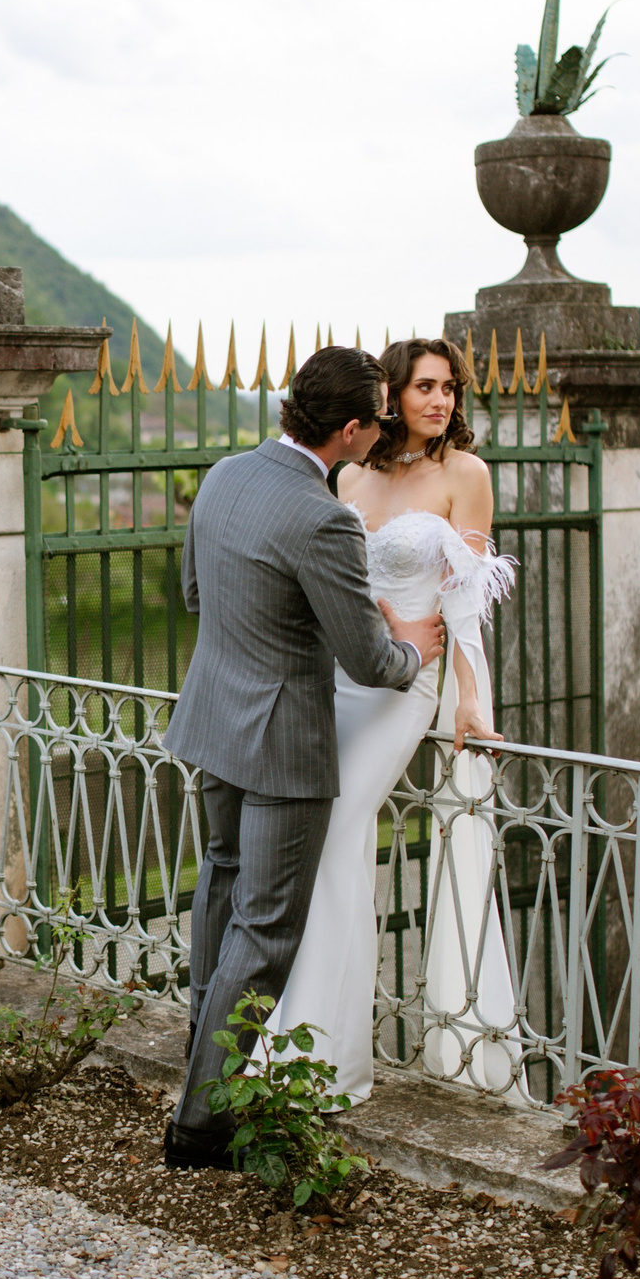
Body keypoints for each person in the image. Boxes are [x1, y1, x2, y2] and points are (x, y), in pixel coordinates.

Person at [160, 345, 444, 1169]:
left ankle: (198, 1062)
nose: (383, 428)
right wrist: (414, 649)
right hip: (283, 744)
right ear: (350, 430)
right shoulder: (323, 516)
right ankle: (200, 1126)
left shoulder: (222, 475)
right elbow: (368, 663)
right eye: (380, 416)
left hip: (213, 716)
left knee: (219, 882)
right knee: (268, 927)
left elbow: (193, 596)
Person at [271, 337, 522, 1104]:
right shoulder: (351, 473)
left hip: (410, 684)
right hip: (342, 676)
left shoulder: (466, 475)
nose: (439, 400)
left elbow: (467, 600)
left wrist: (471, 699)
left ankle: (322, 1057)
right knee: (318, 826)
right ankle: (297, 1037)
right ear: (390, 397)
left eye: (448, 388)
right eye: (423, 387)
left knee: (343, 820)